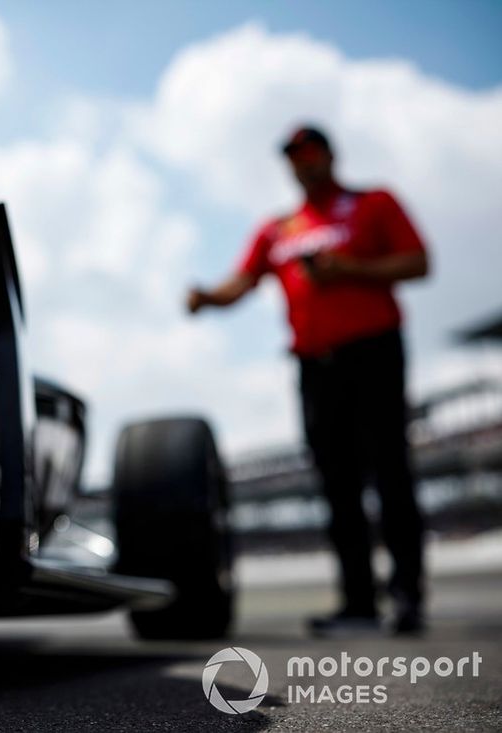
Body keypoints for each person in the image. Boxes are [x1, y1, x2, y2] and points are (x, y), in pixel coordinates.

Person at [187, 125, 429, 636]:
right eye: (296, 158)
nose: (305, 164)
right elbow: (242, 281)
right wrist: (208, 298)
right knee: (336, 482)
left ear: (329, 156)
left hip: (374, 353)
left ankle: (407, 595)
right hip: (314, 365)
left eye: (312, 154)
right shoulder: (278, 228)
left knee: (390, 472)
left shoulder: (374, 203)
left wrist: (350, 270)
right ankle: (359, 602)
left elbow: (418, 262)